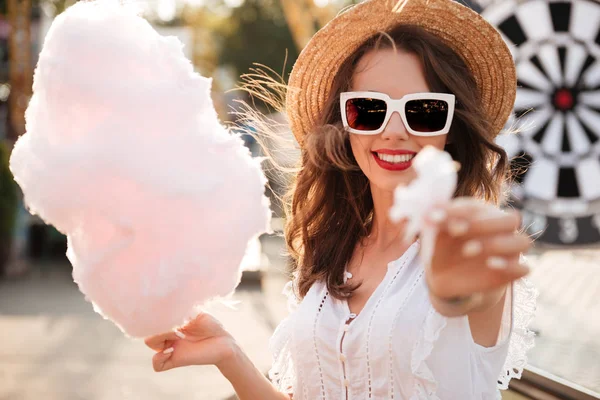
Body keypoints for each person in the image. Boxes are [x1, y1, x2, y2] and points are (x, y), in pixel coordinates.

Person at [144, 0, 537, 398]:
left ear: (451, 127)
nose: (394, 131)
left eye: (424, 110)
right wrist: (228, 353)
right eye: (369, 109)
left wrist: (455, 289)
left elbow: (468, 291)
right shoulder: (331, 250)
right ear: (346, 124)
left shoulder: (468, 247)